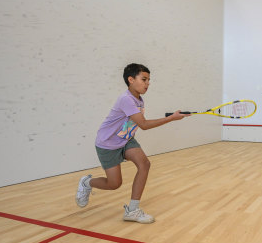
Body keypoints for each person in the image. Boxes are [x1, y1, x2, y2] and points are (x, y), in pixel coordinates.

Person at [75, 63, 189, 222]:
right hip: (107, 144)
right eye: (144, 79)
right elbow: (143, 125)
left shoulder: (139, 100)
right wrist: (171, 118)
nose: (147, 83)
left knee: (144, 164)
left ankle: (132, 211)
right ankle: (87, 182)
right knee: (114, 184)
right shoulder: (126, 100)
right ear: (130, 80)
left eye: (149, 80)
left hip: (126, 140)